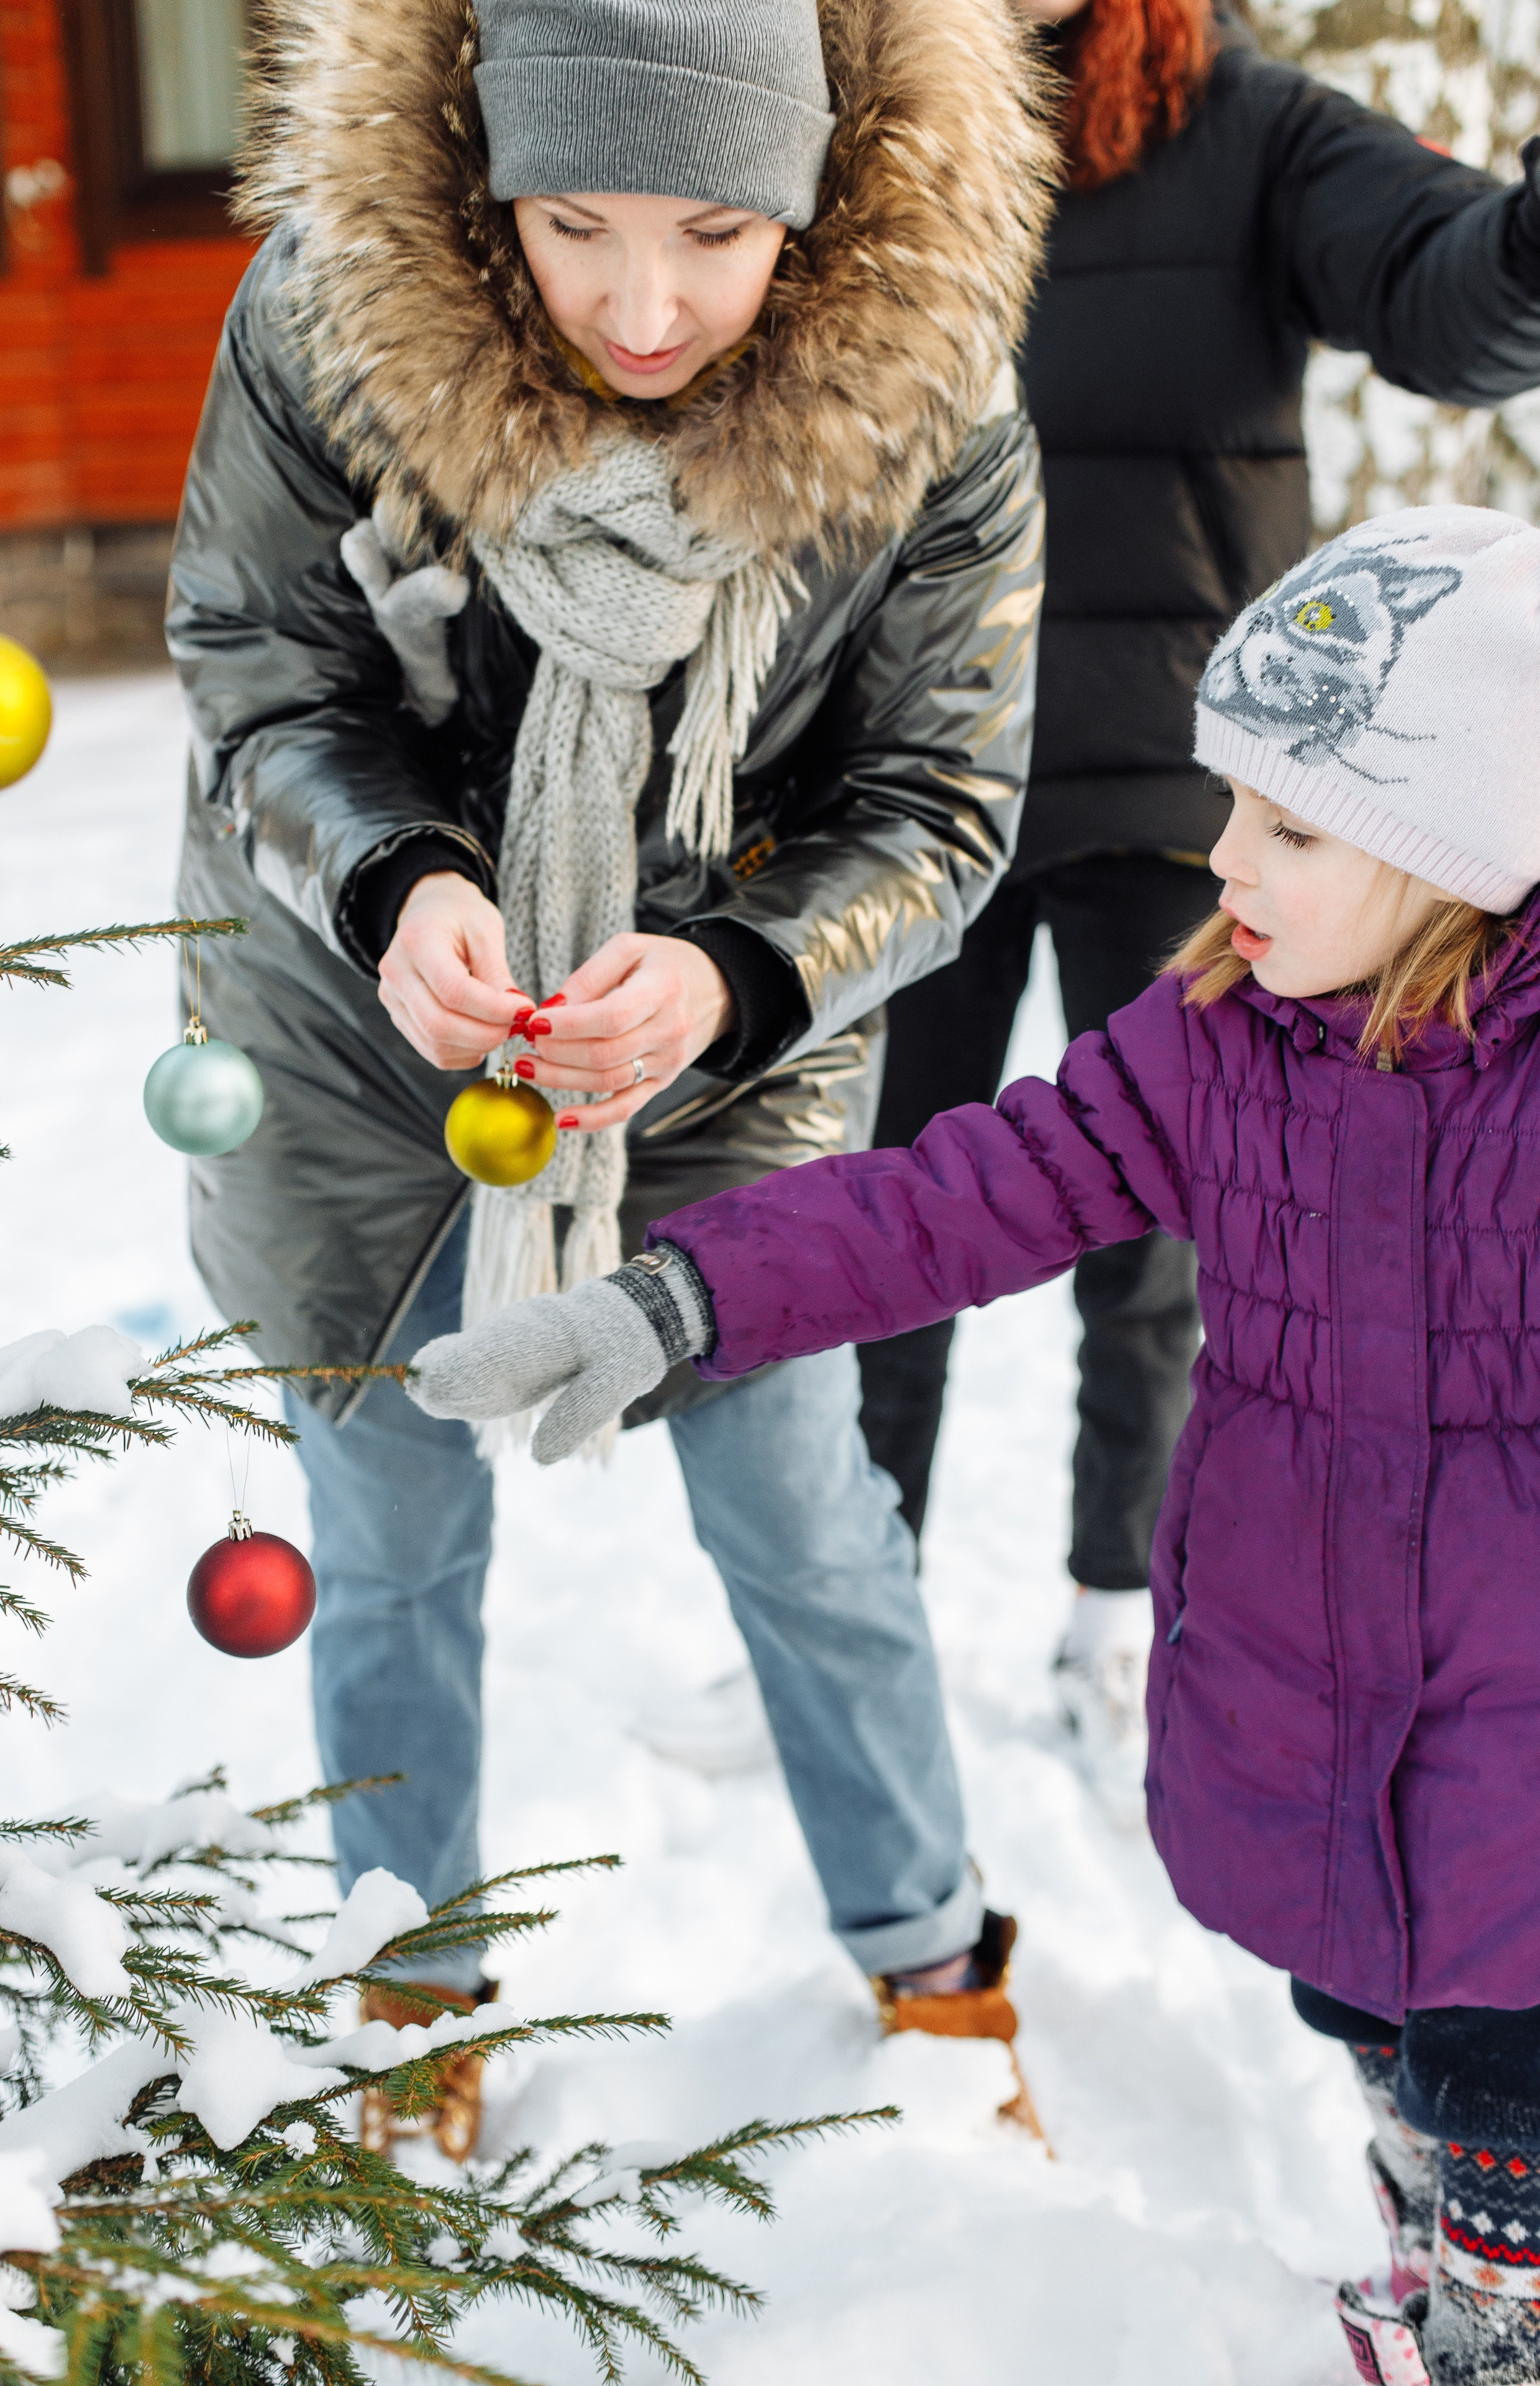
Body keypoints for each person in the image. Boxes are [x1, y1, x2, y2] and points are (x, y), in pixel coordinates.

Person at [411, 503, 1540, 2385]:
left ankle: (1501, 2334)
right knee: (1361, 1989)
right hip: (1310, 1653)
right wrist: (682, 1299)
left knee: (1517, 2032)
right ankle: (1427, 2189)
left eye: (1290, 825)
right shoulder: (1224, 1029)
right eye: (1233, 806)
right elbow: (972, 1191)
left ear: (1458, 852)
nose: (1228, 863)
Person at [165, 0, 1050, 2156]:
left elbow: (941, 797)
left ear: (822, 203)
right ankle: (414, 1991)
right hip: (353, 1018)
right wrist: (389, 887)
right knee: (384, 1542)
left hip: (717, 1049)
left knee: (804, 1523)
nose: (643, 307)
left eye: (717, 240)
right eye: (575, 229)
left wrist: (742, 976)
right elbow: (256, 661)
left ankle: (932, 1966)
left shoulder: (928, 402)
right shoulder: (332, 321)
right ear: (485, 176)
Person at [852, 0, 1540, 1817]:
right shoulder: (861, 122)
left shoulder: (1241, 122)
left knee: (1163, 1250)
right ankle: (851, 1602)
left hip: (1188, 802)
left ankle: (1117, 1610)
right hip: (913, 785)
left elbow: (1447, 295)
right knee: (889, 1207)